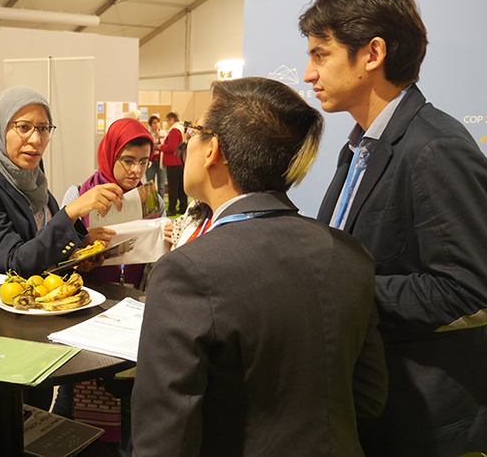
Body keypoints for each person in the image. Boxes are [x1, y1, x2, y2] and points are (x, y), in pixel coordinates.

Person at [132, 77, 388, 457]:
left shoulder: (188, 271)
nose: (187, 140)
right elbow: (367, 396)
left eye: (194, 131)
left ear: (212, 150)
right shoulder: (350, 254)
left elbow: (164, 438)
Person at [299, 0, 487, 455]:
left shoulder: (434, 147)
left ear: (373, 53)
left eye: (320, 55)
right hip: (372, 407)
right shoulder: (360, 147)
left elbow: (469, 289)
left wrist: (341, 290)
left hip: (422, 424)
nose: (308, 74)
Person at [0, 86, 124, 411]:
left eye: (43, 128)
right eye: (24, 127)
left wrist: (81, 247)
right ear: (1, 126)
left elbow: (42, 238)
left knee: (39, 412)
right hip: (4, 331)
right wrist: (72, 211)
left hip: (41, 319)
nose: (35, 140)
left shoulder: (30, 173)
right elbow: (15, 260)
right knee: (3, 422)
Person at [62, 117, 165, 286]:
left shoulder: (153, 201)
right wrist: (84, 241)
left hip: (137, 297)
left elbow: (159, 261)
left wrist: (168, 240)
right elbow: (57, 251)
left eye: (143, 162)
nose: (136, 170)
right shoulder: (78, 195)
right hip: (88, 295)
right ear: (110, 154)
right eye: (128, 160)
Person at [158, 111, 187, 215]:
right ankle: (183, 207)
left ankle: (172, 209)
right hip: (177, 162)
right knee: (180, 186)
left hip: (173, 162)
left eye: (167, 120)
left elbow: (172, 147)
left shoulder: (174, 130)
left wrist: (161, 147)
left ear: (172, 120)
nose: (167, 123)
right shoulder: (180, 128)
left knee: (173, 187)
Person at [145, 115, 165, 199]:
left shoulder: (164, 134)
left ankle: (161, 202)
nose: (156, 124)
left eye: (157, 122)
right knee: (150, 183)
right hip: (151, 162)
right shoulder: (148, 134)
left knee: (161, 183)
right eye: (154, 123)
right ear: (150, 125)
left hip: (161, 161)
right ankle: (152, 202)